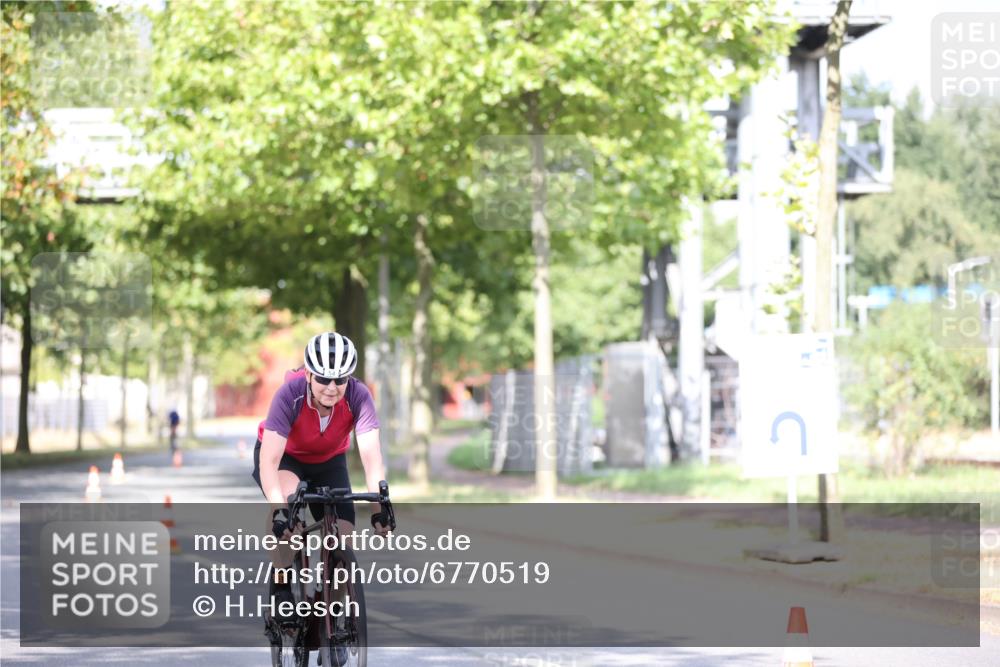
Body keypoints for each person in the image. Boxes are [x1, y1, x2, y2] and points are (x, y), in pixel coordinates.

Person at [251, 332, 389, 625]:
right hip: (286, 457)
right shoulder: (289, 394)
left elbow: (371, 457)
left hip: (329, 460)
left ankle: (328, 618)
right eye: (324, 379)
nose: (332, 387)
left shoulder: (358, 396)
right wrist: (279, 512)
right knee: (287, 509)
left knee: (344, 539)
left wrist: (380, 510)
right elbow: (269, 462)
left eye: (340, 380)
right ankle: (281, 585)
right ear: (309, 375)